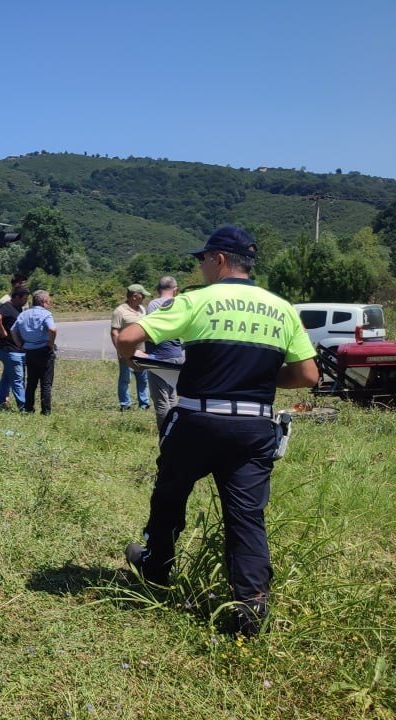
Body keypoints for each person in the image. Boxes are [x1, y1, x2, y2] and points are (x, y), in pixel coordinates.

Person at [114, 226, 318, 637]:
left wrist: (133, 361)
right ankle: (250, 608)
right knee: (246, 516)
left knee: (170, 494)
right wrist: (257, 377)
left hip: (197, 421)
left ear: (220, 260)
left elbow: (129, 335)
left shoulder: (196, 300)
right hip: (254, 426)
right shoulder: (280, 307)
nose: (201, 266)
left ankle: (156, 568)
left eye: (202, 260)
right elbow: (308, 375)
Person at [142, 276, 183, 431]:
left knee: (161, 400)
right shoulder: (179, 303)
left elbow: (152, 330)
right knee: (172, 397)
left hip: (159, 356)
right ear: (175, 290)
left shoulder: (154, 304)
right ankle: (174, 431)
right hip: (177, 355)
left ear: (158, 289)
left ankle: (165, 434)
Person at [11, 290, 57, 415]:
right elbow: (52, 329)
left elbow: (13, 330)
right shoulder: (46, 314)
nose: (50, 304)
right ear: (43, 302)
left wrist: (20, 344)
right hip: (44, 351)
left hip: (29, 351)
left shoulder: (23, 314)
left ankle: (29, 408)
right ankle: (46, 411)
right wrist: (50, 344)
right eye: (49, 301)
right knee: (46, 383)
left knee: (31, 382)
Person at [111, 284, 150, 410]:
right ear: (134, 296)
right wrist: (120, 350)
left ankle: (144, 404)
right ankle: (125, 405)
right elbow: (114, 332)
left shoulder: (142, 310)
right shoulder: (120, 311)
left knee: (143, 379)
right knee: (125, 379)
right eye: (142, 295)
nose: (144, 297)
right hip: (127, 352)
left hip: (142, 351)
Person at [0, 287, 30, 410]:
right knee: (18, 380)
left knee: (7, 377)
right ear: (17, 297)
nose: (26, 301)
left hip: (14, 350)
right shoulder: (7, 307)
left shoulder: (18, 308)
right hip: (10, 350)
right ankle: (24, 408)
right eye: (24, 298)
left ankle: (0, 402)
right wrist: (3, 331)